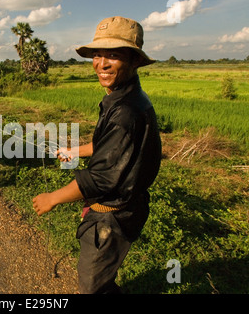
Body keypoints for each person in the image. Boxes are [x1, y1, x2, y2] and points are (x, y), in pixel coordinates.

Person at [32, 16, 162, 294]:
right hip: (121, 206)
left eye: (113, 55)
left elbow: (102, 178)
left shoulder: (125, 111)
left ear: (134, 61)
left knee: (92, 286)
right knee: (101, 277)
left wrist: (51, 198)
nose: (101, 64)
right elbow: (108, 146)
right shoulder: (120, 99)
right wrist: (74, 151)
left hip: (114, 214)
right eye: (97, 55)